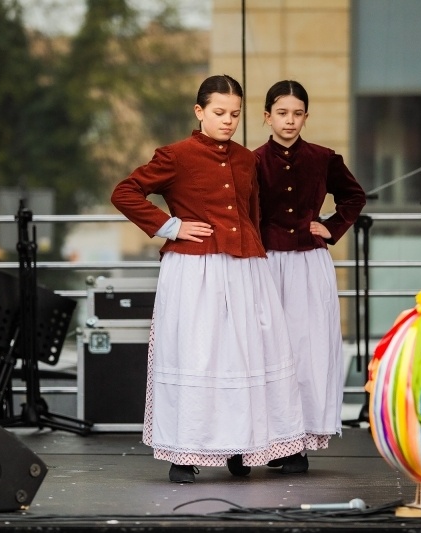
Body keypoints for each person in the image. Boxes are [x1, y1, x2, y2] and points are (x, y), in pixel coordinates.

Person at [111, 75, 307, 483]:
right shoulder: (175, 155)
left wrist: (256, 254)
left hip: (246, 269)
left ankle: (242, 447)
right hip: (195, 271)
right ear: (199, 112)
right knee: (198, 356)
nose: (228, 121)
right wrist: (171, 226)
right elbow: (125, 192)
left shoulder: (245, 158)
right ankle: (184, 454)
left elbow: (251, 213)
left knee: (246, 356)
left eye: (235, 114)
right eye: (219, 113)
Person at [254, 80, 366, 473]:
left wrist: (331, 227)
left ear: (306, 116)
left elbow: (354, 196)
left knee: (306, 349)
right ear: (266, 116)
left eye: (297, 113)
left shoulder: (323, 158)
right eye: (282, 113)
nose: (290, 121)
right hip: (264, 264)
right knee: (265, 349)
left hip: (307, 263)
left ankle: (297, 442)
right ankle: (262, 438)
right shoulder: (251, 161)